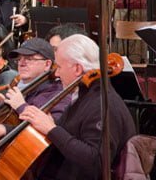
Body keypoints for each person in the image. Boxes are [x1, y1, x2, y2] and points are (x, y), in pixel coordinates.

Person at [15, 34, 135, 180]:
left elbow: (95, 162)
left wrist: (51, 129)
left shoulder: (103, 104)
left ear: (77, 68)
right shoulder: (84, 96)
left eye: (59, 67)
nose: (56, 73)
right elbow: (62, 134)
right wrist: (2, 130)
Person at [0, 38, 72, 143]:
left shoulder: (58, 96)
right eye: (19, 59)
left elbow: (48, 136)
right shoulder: (24, 88)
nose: (21, 63)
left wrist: (21, 106)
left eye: (29, 59)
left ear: (47, 64)